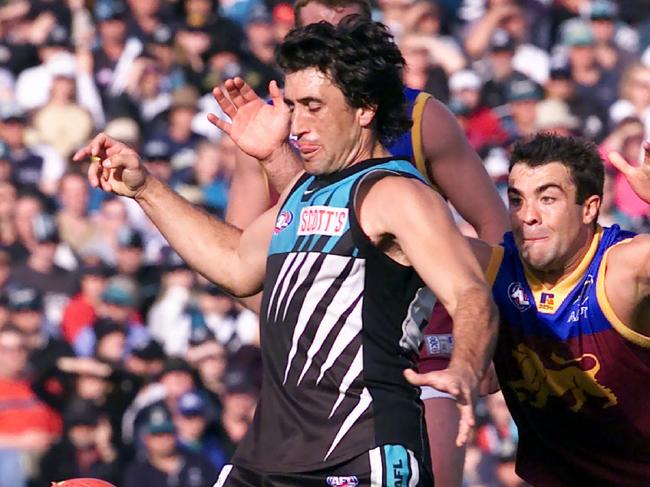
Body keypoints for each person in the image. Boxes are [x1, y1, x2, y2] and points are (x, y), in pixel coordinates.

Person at [74, 17, 498, 486]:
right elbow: (235, 266)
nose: (297, 122)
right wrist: (146, 188)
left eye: (314, 106)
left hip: (359, 452)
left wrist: (464, 366)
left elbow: (470, 295)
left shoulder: (396, 193)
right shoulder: (303, 192)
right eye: (292, 105)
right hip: (267, 455)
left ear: (364, 108)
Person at [222, 1, 509, 484]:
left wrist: (483, 343)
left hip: (425, 340)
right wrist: (314, 316)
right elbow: (241, 262)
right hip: (318, 361)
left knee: (431, 469)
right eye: (319, 29)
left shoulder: (420, 117)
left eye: (347, 26)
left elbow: (496, 234)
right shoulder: (267, 129)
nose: (335, 38)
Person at [411, 133, 650, 485]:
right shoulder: (493, 267)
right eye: (516, 200)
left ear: (589, 208)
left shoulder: (624, 268)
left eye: (548, 198)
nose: (528, 216)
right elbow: (398, 235)